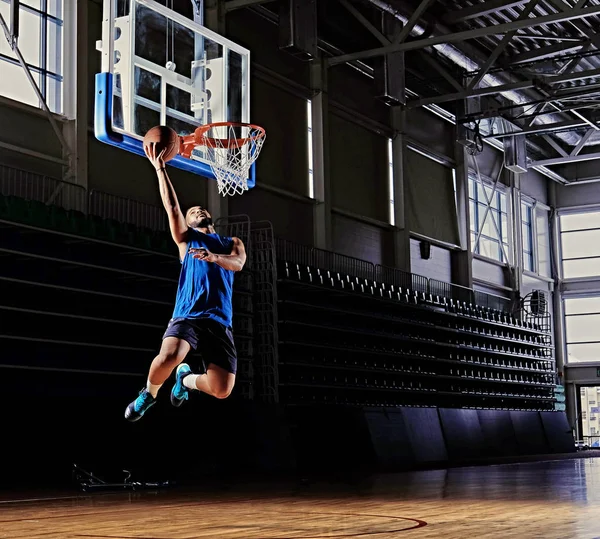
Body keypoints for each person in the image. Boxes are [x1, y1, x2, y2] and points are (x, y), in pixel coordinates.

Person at [124, 142, 247, 422]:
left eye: (201, 209)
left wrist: (213, 257)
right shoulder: (186, 240)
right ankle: (150, 394)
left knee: (222, 389)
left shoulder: (231, 242)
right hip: (188, 314)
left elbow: (238, 264)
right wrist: (160, 169)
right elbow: (172, 207)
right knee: (170, 356)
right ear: (189, 222)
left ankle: (186, 381)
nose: (198, 211)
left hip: (219, 321)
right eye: (193, 212)